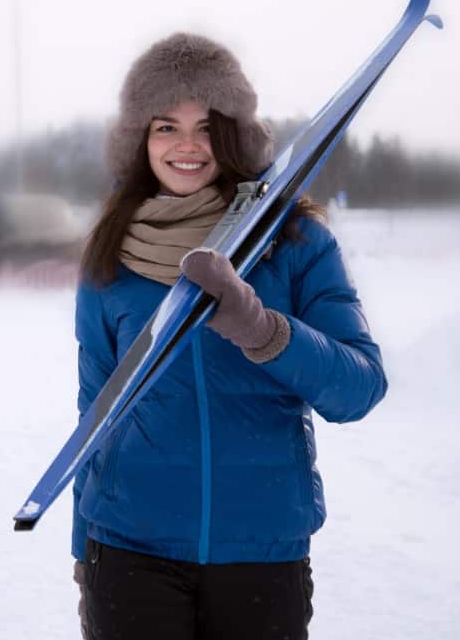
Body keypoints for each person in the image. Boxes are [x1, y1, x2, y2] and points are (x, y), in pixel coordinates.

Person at [71, 33, 387, 640]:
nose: (187, 146)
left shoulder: (296, 243)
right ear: (140, 140)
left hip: (261, 553)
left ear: (235, 133)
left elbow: (360, 387)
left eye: (207, 126)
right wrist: (85, 554)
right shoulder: (111, 254)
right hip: (131, 552)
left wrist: (263, 329)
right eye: (166, 127)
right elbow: (94, 412)